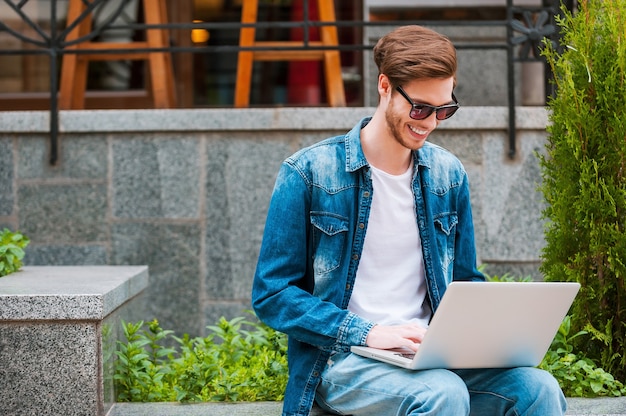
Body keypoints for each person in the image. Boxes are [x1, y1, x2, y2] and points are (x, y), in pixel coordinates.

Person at [252, 25, 566, 416]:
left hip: (430, 356)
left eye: (444, 110)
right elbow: (272, 295)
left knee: (539, 389)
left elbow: (465, 281)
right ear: (385, 86)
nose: (430, 122)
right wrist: (369, 333)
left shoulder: (448, 175)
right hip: (343, 358)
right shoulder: (309, 172)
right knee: (442, 393)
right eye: (420, 108)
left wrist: (491, 329)